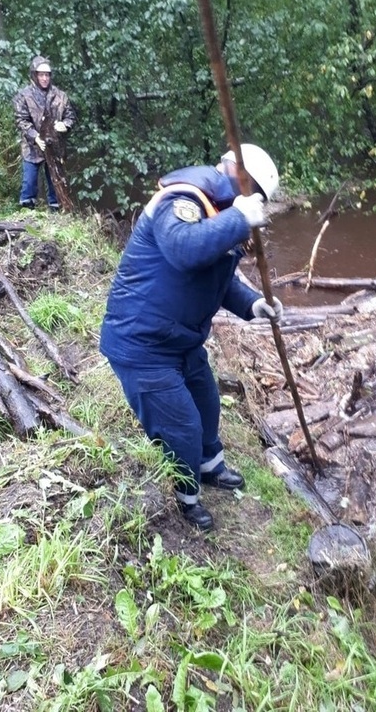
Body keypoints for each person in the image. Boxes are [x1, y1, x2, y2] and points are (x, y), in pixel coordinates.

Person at [98, 144, 284, 532]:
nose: (255, 203)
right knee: (181, 426)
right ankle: (187, 496)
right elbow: (185, 250)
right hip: (141, 343)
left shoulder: (223, 213)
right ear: (234, 173)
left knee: (206, 402)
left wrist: (254, 306)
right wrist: (238, 218)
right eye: (253, 193)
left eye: (259, 200)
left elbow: (219, 279)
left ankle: (210, 465)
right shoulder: (181, 199)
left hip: (179, 341)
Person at [13, 55, 76, 210]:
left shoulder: (60, 95)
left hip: (54, 145)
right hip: (32, 146)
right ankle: (27, 211)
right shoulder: (24, 95)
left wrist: (65, 125)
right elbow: (21, 120)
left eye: (47, 75)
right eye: (41, 75)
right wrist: (34, 136)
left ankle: (55, 210)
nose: (44, 78)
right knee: (30, 180)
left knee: (56, 180)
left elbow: (70, 116)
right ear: (35, 75)